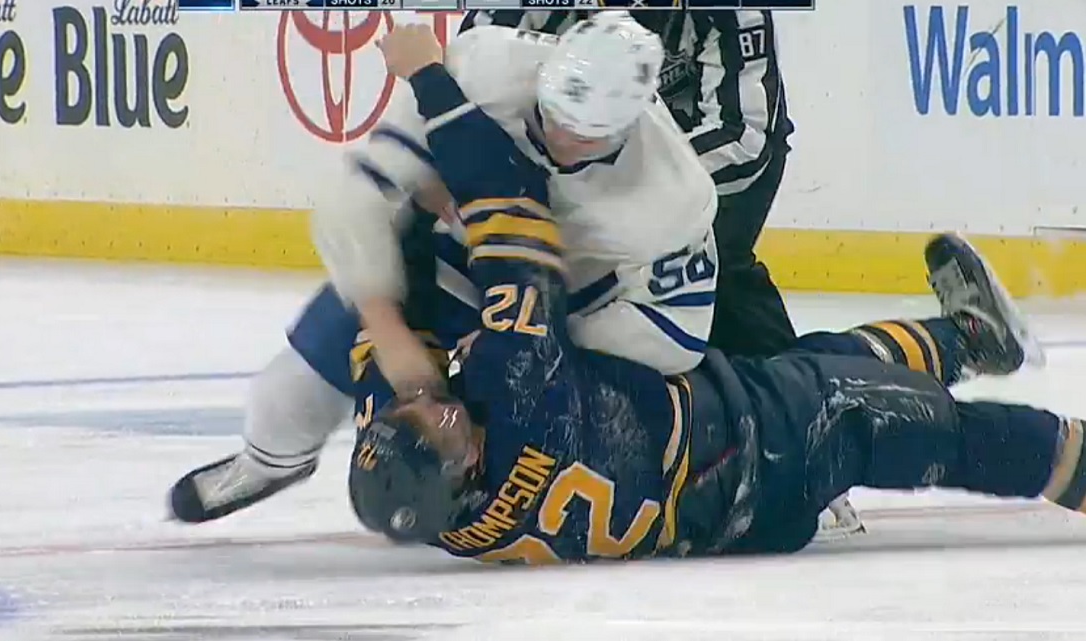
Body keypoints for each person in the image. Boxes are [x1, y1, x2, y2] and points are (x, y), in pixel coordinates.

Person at [343, 30, 1065, 562]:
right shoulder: (521, 393)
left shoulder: (439, 494)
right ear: (468, 468)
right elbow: (509, 217)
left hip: (714, 429)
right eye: (443, 427)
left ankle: (968, 337)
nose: (434, 404)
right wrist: (429, 82)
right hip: (767, 457)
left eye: (413, 409)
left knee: (819, 361)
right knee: (941, 433)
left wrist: (388, 254)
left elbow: (387, 329)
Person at [168, 15, 723, 525]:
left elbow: (675, 336)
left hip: (569, 303)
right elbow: (356, 195)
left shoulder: (674, 196)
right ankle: (270, 461)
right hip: (458, 257)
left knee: (522, 421)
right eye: (550, 113)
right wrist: (385, 324)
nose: (559, 138)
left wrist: (537, 349)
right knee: (289, 390)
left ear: (633, 123)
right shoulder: (486, 65)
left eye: (584, 135)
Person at [454, 8, 875, 535]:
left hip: (699, 171)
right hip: (561, 145)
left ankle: (806, 430)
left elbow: (744, 137)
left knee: (722, 276)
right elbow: (476, 57)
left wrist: (626, 183)